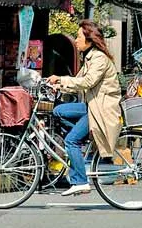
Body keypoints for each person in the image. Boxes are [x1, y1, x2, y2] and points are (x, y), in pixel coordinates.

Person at [48, 20, 122, 196]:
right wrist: (57, 85)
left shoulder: (99, 58)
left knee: (71, 141)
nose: (75, 40)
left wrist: (60, 79)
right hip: (92, 105)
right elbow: (77, 81)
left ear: (89, 39)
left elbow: (88, 82)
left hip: (101, 109)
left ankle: (80, 181)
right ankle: (82, 139)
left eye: (79, 36)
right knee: (59, 111)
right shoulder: (89, 57)